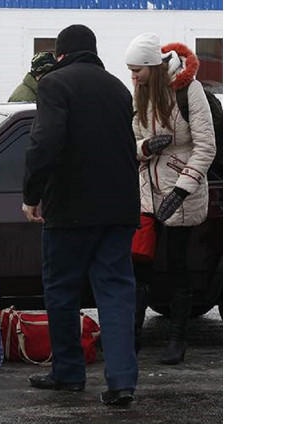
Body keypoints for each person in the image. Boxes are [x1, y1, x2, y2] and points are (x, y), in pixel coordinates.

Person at [21, 24, 140, 407]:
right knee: (117, 295)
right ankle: (122, 382)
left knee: (62, 291)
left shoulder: (55, 85)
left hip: (70, 210)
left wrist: (31, 195)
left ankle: (69, 373)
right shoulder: (118, 88)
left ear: (60, 54)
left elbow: (45, 143)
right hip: (120, 210)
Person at [125, 33, 216, 365]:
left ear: (152, 66)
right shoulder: (140, 92)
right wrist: (146, 147)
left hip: (182, 191)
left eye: (137, 70)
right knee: (138, 264)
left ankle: (178, 339)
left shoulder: (189, 90)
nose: (132, 76)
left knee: (178, 266)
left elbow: (206, 146)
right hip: (147, 192)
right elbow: (132, 139)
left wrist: (181, 190)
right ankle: (130, 337)